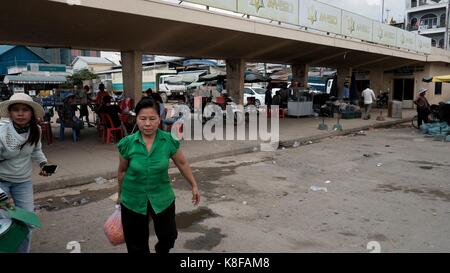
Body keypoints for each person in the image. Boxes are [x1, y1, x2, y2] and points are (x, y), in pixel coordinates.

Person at [117, 97, 200, 253]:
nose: (147, 123)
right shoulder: (127, 143)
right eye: (142, 118)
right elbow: (122, 171)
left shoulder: (168, 140)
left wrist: (194, 185)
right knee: (136, 244)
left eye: (152, 118)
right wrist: (120, 196)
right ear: (137, 119)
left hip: (162, 197)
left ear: (159, 119)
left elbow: (182, 163)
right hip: (133, 198)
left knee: (169, 236)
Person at [0, 93, 52, 253]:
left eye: (25, 110)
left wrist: (44, 164)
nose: (20, 114)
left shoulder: (36, 129)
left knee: (28, 221)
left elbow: (36, 150)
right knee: (4, 224)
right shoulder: (2, 131)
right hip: (1, 181)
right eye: (16, 110)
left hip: (23, 181)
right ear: (10, 113)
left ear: (32, 113)